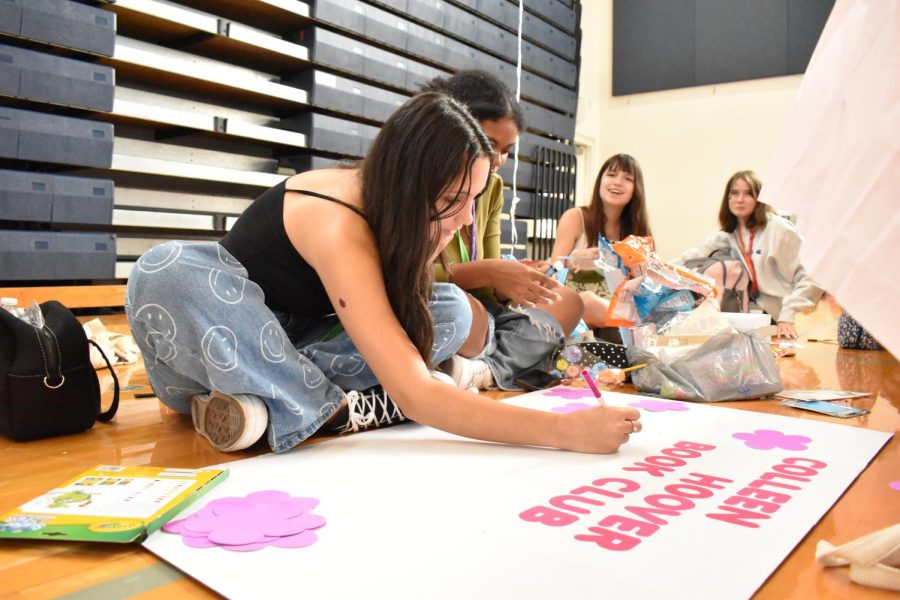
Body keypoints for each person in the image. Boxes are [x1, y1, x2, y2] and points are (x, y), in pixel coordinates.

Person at [126, 92, 641, 455]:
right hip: (222, 345)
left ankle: (268, 406)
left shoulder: (401, 216)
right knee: (170, 268)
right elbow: (418, 391)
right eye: (450, 203)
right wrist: (565, 431)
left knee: (448, 308)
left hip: (297, 352)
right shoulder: (340, 224)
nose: (464, 220)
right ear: (407, 187)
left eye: (473, 202)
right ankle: (324, 411)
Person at [422, 70, 584, 391]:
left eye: (507, 149)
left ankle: (485, 370)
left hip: (481, 311)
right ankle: (510, 362)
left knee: (568, 301)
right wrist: (489, 273)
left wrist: (515, 281)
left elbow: (489, 279)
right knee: (460, 312)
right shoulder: (426, 179)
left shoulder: (492, 187)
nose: (497, 159)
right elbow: (411, 277)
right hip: (443, 303)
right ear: (457, 130)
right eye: (488, 144)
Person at [673, 170, 823, 339]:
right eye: (734, 193)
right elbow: (695, 254)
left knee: (782, 361)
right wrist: (658, 269)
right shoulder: (730, 233)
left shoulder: (780, 230)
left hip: (787, 319)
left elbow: (814, 274)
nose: (739, 199)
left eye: (748, 194)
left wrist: (789, 312)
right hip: (755, 316)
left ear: (760, 199)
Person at [550, 153, 653, 328]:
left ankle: (636, 328)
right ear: (600, 181)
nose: (617, 182)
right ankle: (636, 327)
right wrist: (573, 260)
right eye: (611, 175)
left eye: (627, 178)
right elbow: (552, 270)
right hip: (577, 311)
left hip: (618, 312)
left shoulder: (638, 232)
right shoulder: (575, 217)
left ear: (636, 189)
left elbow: (647, 286)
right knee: (588, 301)